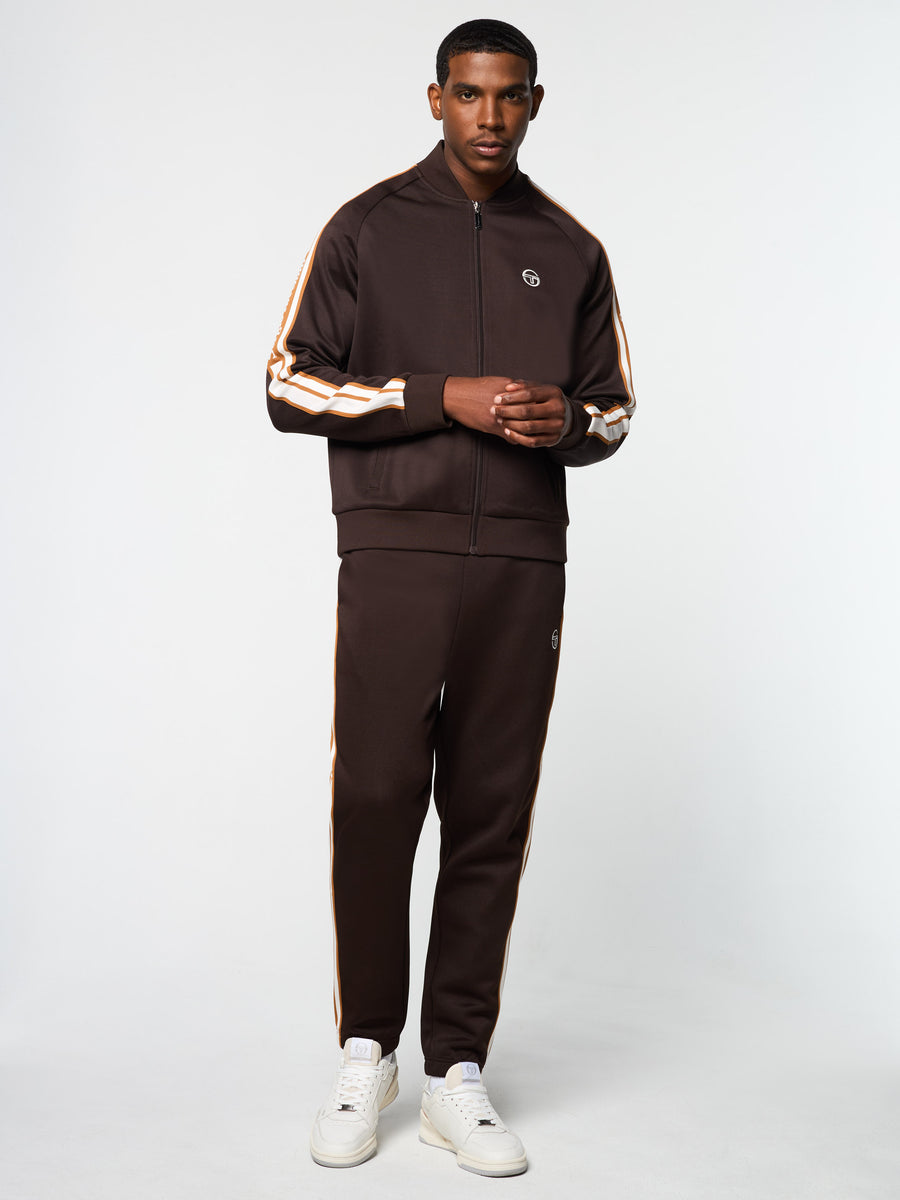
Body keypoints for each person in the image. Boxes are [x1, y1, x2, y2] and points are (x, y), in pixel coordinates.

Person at [266, 18, 636, 1177]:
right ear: (435, 99)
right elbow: (288, 384)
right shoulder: (367, 227)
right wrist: (442, 396)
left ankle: (456, 1070)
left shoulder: (571, 249)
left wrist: (564, 422)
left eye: (509, 95)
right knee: (376, 795)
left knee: (490, 810)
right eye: (468, 94)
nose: (489, 115)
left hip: (523, 563)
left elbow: (614, 408)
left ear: (536, 103)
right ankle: (367, 1051)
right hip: (396, 552)